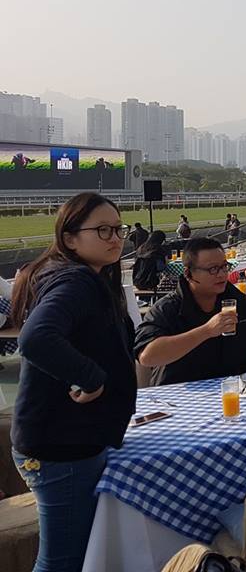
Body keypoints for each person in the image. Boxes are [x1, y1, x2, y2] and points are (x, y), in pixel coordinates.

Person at [10, 193, 138, 572]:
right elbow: (35, 338)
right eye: (102, 230)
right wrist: (92, 379)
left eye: (118, 229)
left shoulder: (89, 279)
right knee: (63, 562)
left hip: (71, 439)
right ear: (69, 238)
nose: (115, 238)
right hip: (61, 447)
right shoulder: (76, 281)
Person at [135, 237, 246, 386]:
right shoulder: (168, 308)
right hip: (178, 397)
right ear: (188, 273)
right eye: (213, 269)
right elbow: (147, 356)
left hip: (233, 393)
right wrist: (207, 331)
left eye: (225, 267)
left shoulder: (238, 301)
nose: (221, 274)